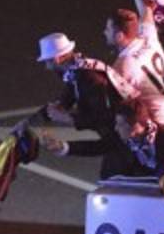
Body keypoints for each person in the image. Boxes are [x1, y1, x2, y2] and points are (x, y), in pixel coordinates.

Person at [30, 32, 140, 178]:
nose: (47, 67)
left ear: (58, 59)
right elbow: (65, 99)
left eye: (48, 62)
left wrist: (69, 119)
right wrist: (31, 121)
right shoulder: (79, 69)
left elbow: (103, 118)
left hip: (128, 138)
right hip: (121, 134)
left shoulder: (89, 79)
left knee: (112, 179)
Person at [42, 99, 164, 178]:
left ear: (136, 125)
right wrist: (63, 147)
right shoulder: (122, 139)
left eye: (120, 125)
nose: (116, 129)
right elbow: (97, 147)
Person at [104, 6, 164, 127]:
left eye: (108, 29)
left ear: (119, 36)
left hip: (161, 124)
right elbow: (147, 9)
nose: (104, 32)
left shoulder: (121, 66)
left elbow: (120, 106)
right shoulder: (149, 38)